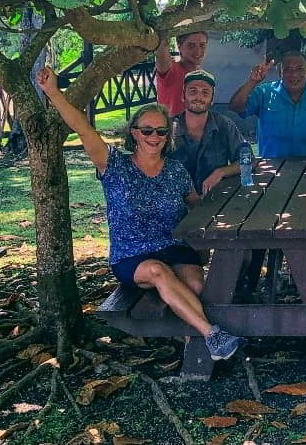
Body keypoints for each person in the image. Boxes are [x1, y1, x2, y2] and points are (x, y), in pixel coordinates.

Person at [37, 66, 244, 361]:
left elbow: (196, 203)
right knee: (159, 273)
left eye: (161, 131)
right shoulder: (115, 165)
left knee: (197, 283)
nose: (154, 136)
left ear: (167, 136)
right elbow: (83, 128)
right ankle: (212, 335)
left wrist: (223, 214)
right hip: (132, 254)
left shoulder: (175, 170)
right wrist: (54, 94)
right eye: (147, 130)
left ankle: (190, 334)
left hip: (172, 245)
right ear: (134, 133)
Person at [229, 51, 306, 158]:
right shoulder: (265, 92)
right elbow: (235, 107)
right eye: (288, 69)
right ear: (280, 73)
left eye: (299, 69)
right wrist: (252, 82)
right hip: (270, 168)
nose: (294, 74)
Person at [169, 70, 243, 195]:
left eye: (205, 93)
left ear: (212, 99)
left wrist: (221, 172)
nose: (198, 97)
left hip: (213, 201)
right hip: (176, 204)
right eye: (193, 91)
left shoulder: (224, 125)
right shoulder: (167, 128)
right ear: (183, 96)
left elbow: (247, 160)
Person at [155, 31, 208, 117]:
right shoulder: (171, 70)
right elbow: (161, 50)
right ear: (179, 46)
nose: (198, 51)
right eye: (191, 45)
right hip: (172, 127)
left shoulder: (203, 75)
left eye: (202, 45)